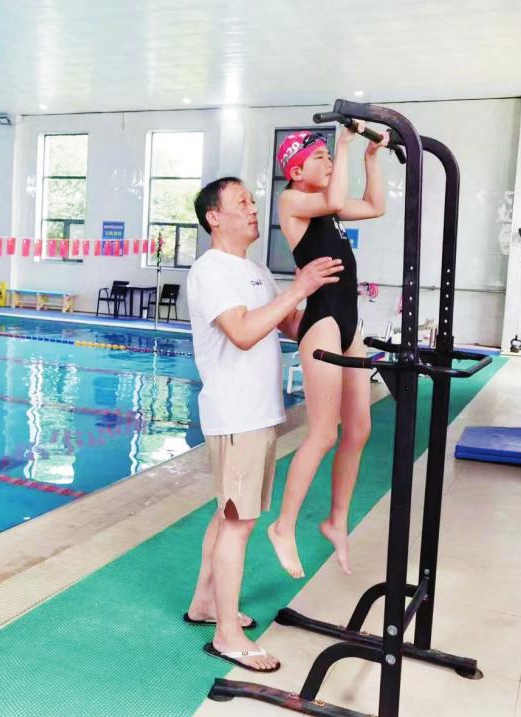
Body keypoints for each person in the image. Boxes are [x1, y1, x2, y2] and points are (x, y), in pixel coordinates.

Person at [184, 176, 343, 672]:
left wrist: (331, 307)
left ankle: (204, 604)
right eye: (242, 202)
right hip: (237, 414)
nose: (254, 208)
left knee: (227, 514)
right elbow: (243, 332)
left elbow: (287, 324)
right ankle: (227, 636)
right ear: (214, 217)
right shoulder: (211, 270)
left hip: (258, 412)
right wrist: (298, 288)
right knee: (239, 523)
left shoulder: (254, 270)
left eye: (253, 201)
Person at [267, 123, 388, 579]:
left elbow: (375, 206)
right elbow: (336, 200)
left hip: (349, 323)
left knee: (359, 428)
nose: (330, 163)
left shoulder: (329, 210)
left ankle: (336, 520)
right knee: (323, 434)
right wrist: (343, 141)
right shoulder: (291, 202)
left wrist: (370, 158)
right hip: (321, 324)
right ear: (296, 171)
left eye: (330, 157)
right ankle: (283, 526)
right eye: (320, 158)